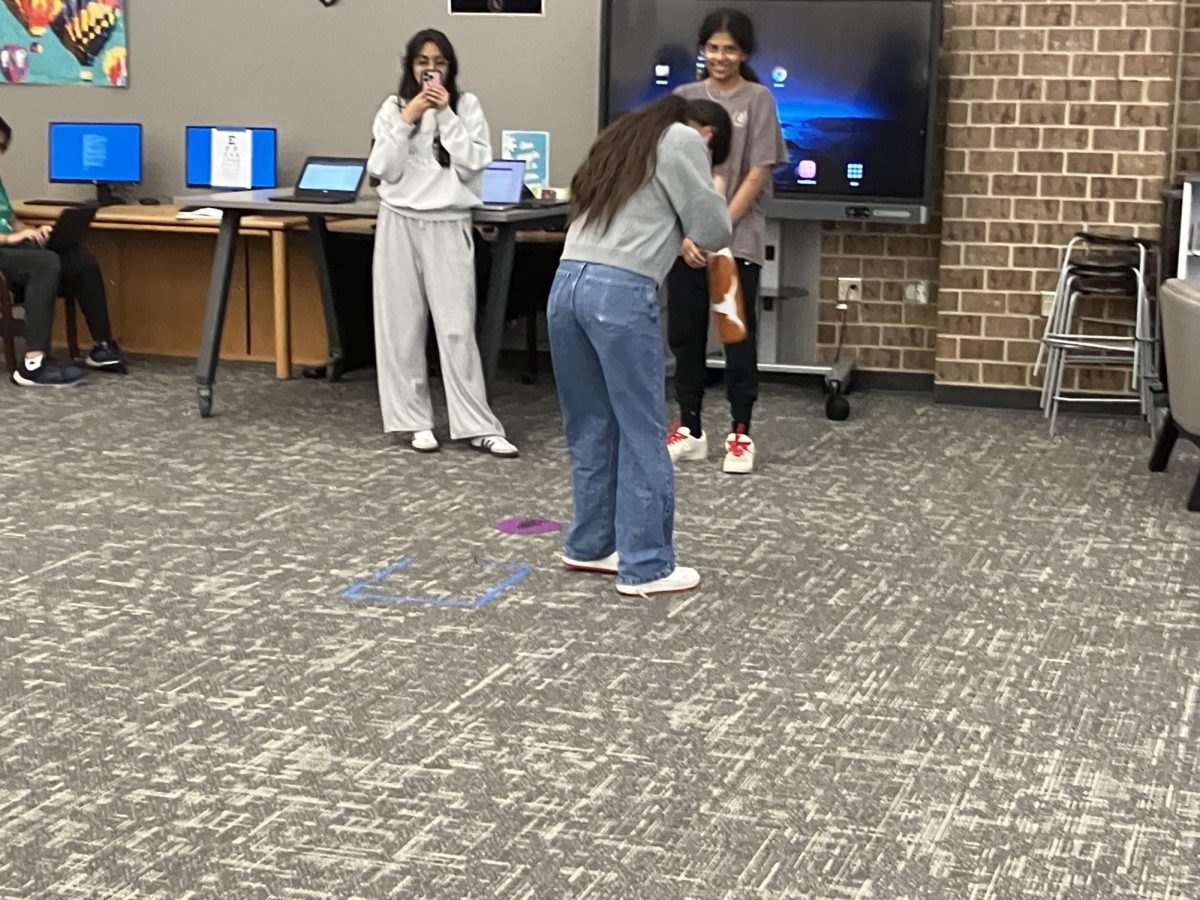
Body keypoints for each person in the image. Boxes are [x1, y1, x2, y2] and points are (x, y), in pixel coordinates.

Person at [550, 95, 732, 597]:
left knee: (591, 423)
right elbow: (714, 228)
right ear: (705, 132)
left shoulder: (622, 138)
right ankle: (648, 563)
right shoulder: (683, 139)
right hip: (620, 294)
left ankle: (589, 546)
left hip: (566, 286)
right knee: (642, 428)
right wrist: (713, 186)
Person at [366, 28, 518, 457]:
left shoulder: (466, 106)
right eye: (422, 62)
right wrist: (408, 117)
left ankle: (476, 424)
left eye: (440, 63)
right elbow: (381, 168)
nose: (430, 70)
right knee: (400, 327)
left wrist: (445, 115)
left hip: (448, 221)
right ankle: (413, 421)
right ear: (410, 67)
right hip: (398, 220)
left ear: (450, 69)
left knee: (455, 328)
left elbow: (475, 162)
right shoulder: (393, 108)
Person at [667, 8, 788, 474]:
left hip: (735, 242)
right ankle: (691, 428)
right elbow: (669, 171)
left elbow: (757, 173)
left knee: (736, 336)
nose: (720, 57)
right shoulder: (683, 98)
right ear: (703, 49)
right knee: (685, 335)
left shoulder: (758, 100)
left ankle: (740, 432)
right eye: (713, 48)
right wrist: (686, 233)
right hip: (686, 242)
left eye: (730, 49)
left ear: (745, 53)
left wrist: (714, 227)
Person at [0, 116, 127, 386]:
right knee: (45, 263)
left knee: (78, 257)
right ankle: (33, 365)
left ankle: (103, 346)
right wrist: (12, 239)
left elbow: (9, 220)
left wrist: (32, 229)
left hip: (13, 248)